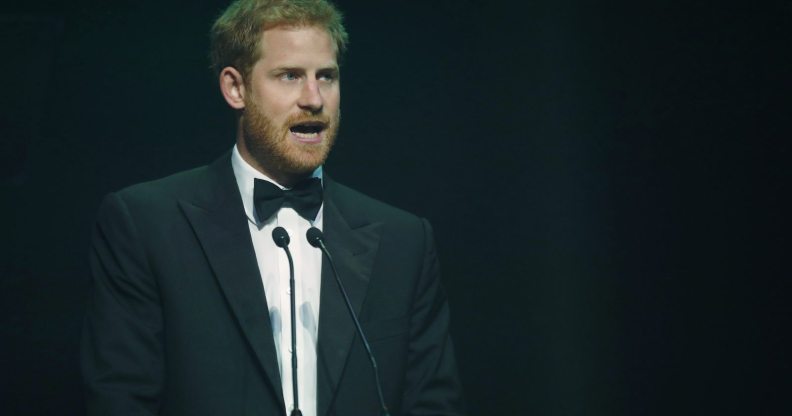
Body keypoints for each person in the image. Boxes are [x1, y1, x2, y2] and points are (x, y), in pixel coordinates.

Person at [80, 1, 465, 415]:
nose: (314, 98)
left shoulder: (403, 241)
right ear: (235, 88)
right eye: (290, 76)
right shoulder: (147, 224)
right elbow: (120, 400)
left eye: (326, 76)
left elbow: (434, 404)